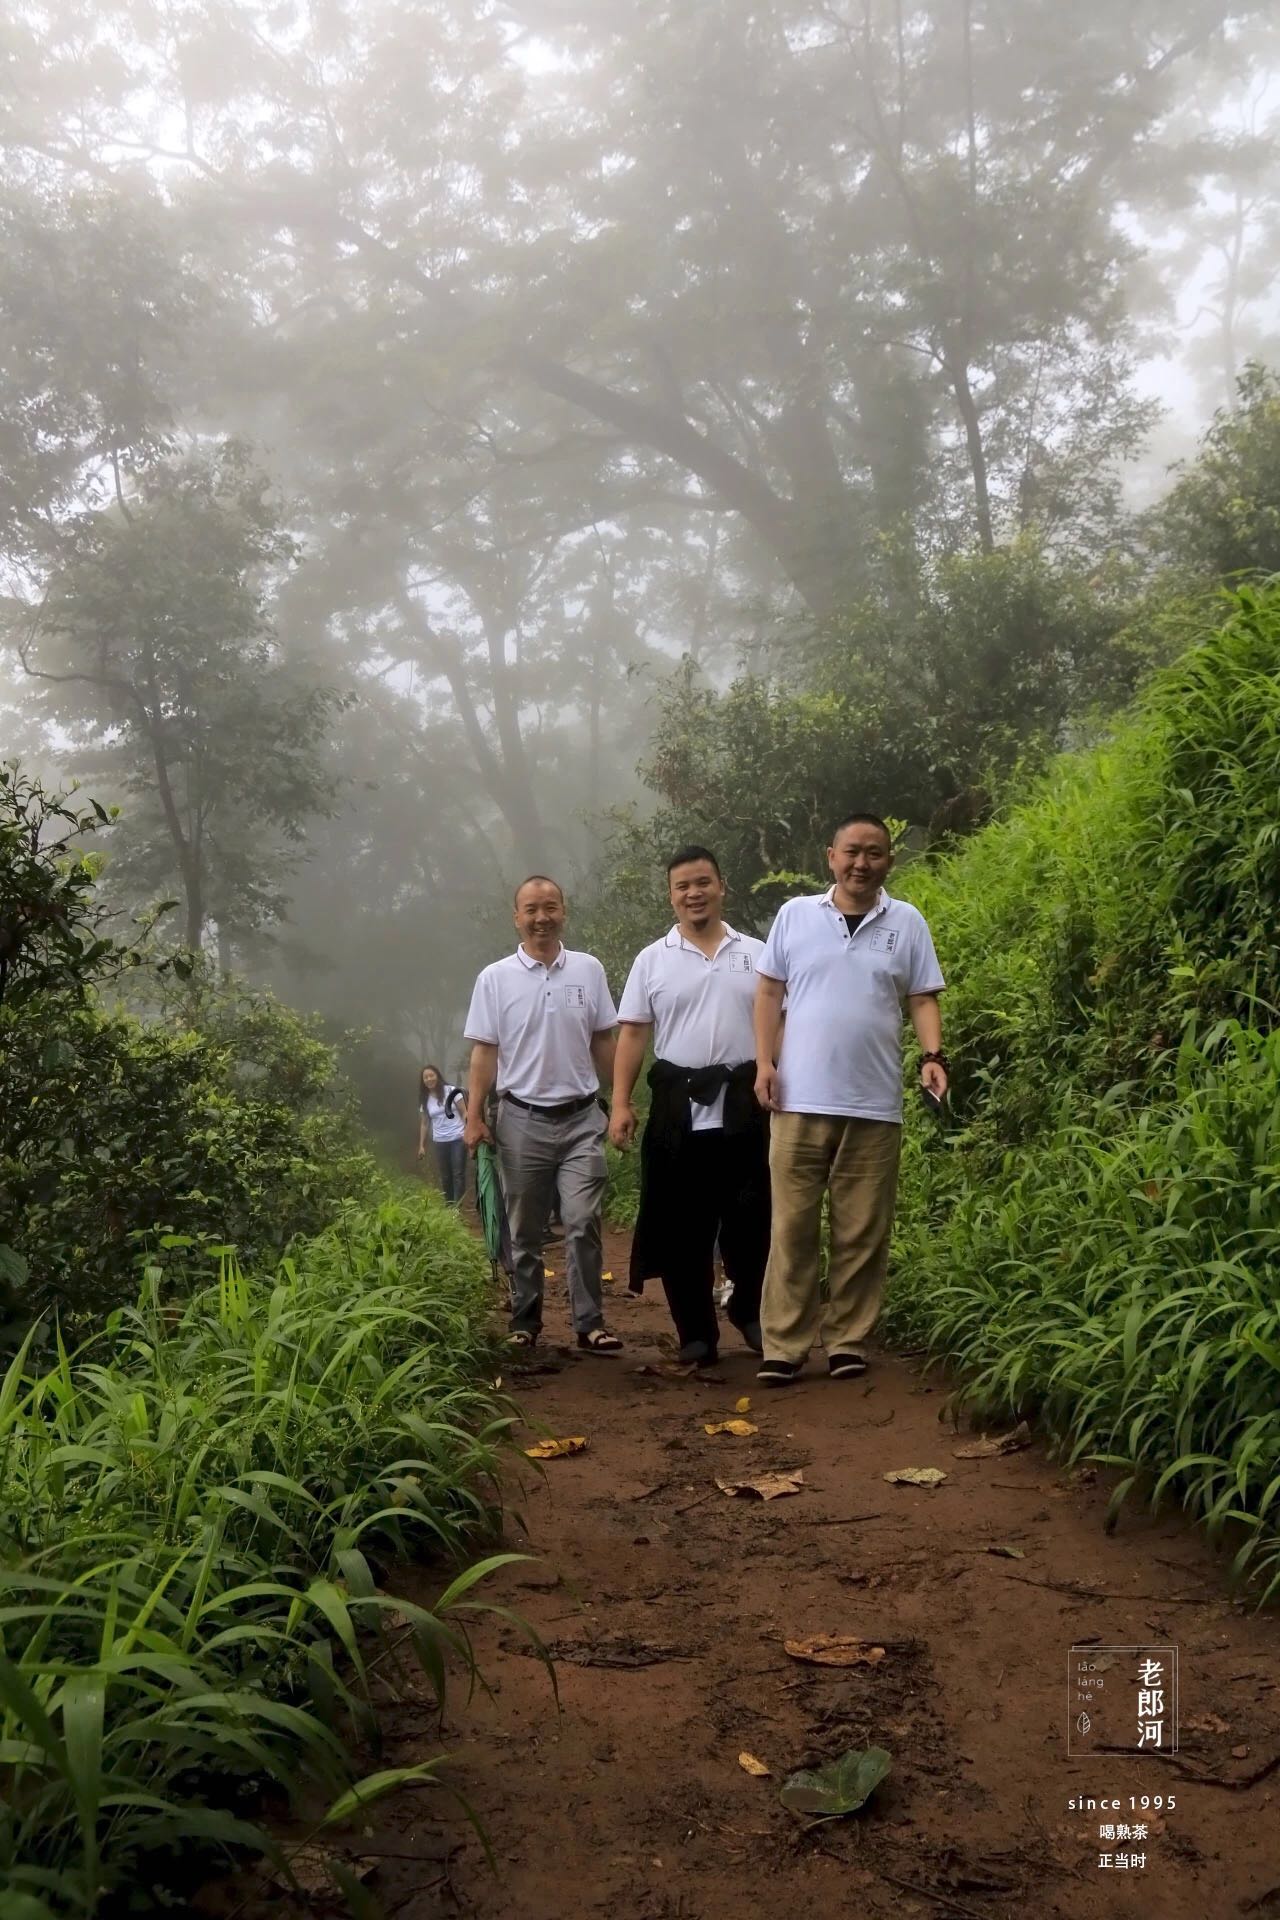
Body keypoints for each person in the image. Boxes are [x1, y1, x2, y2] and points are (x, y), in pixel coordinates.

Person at [753, 813, 948, 1386]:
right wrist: (764, 1062)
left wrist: (934, 1057)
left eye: (874, 853)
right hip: (798, 1098)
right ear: (831, 857)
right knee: (791, 1227)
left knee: (861, 1229)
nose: (862, 863)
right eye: (852, 852)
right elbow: (768, 991)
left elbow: (923, 997)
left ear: (889, 861)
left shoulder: (907, 922)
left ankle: (847, 1340)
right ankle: (784, 1345)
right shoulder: (795, 915)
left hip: (873, 1101)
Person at [611, 846, 769, 1367]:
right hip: (678, 1108)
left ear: (721, 886)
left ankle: (749, 1308)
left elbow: (779, 1020)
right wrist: (620, 1103)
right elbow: (634, 1034)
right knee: (683, 1223)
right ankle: (696, 1333)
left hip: (746, 1102)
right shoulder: (652, 959)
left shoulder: (758, 952)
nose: (694, 893)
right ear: (671, 896)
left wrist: (775, 1073)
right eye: (683, 886)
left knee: (753, 1215)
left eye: (703, 882)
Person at [463, 874, 622, 1354]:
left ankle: (589, 1323)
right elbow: (484, 1052)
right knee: (525, 1230)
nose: (541, 918)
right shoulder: (495, 978)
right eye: (531, 909)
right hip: (520, 1120)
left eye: (550, 907)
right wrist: (474, 1116)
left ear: (563, 912)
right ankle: (525, 1320)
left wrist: (623, 1102)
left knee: (582, 1221)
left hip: (581, 1119)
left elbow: (603, 1040)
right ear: (517, 917)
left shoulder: (588, 970)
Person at [417, 1064, 469, 1205]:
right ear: (423, 1081)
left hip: (458, 1138)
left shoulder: (452, 1091)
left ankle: (457, 1208)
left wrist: (469, 1131)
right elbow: (424, 1123)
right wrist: (421, 1146)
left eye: (431, 1075)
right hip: (440, 1141)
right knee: (445, 1176)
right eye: (425, 1077)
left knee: (458, 1174)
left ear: (438, 1076)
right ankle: (449, 1205)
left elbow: (465, 1112)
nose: (429, 1079)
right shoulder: (425, 1099)